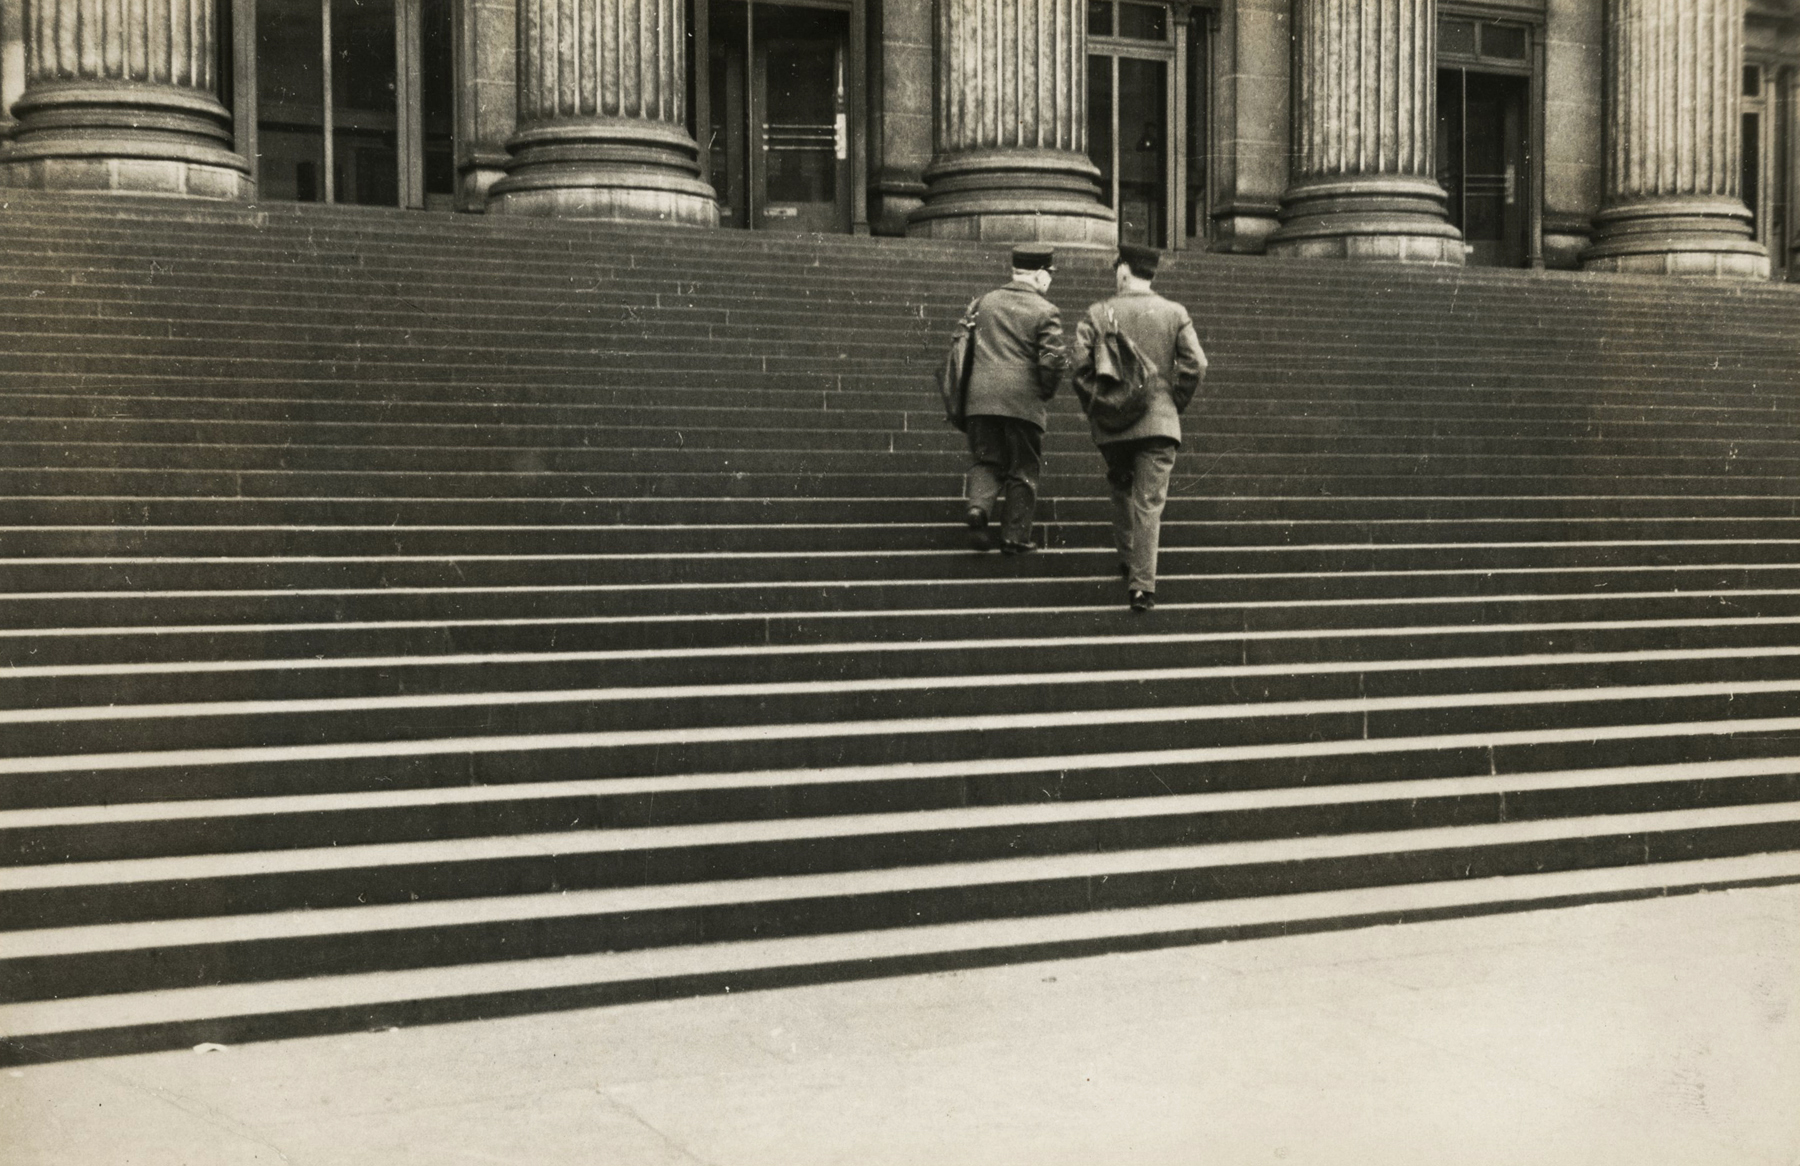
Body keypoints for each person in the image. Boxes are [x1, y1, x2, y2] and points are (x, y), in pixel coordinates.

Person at [1072, 243, 1207, 612]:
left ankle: (1129, 557)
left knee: (1121, 486)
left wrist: (1099, 406)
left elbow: (1079, 368)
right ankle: (1141, 586)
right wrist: (1173, 401)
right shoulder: (1175, 312)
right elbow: (1197, 365)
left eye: (1118, 267)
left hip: (1115, 423)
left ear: (1125, 271)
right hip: (1160, 422)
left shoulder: (1098, 312)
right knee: (1150, 503)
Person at [960, 244, 1068, 555]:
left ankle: (979, 509)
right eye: (1049, 274)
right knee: (1023, 467)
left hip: (980, 399)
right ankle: (1015, 536)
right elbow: (1051, 358)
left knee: (987, 460)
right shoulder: (1045, 311)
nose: (1050, 280)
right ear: (1037, 275)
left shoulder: (985, 302)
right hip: (1022, 401)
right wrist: (1045, 391)